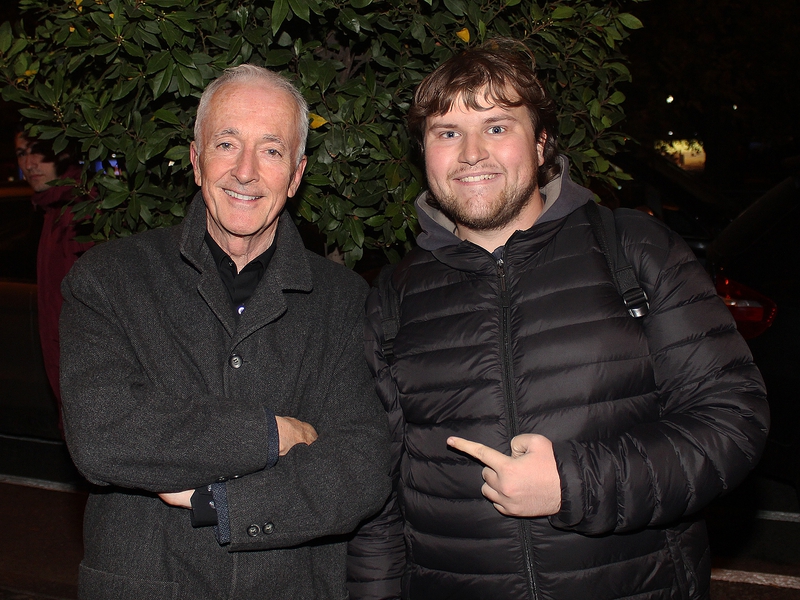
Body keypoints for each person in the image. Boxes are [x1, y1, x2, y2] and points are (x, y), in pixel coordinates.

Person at [347, 40, 769, 600]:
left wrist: (574, 485)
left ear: (542, 144)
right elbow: (378, 500)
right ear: (424, 152)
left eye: (497, 127)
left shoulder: (634, 251)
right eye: (447, 132)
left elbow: (731, 422)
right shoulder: (394, 297)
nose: (471, 152)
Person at [60, 64, 390, 598]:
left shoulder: (345, 300)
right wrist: (274, 435)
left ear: (298, 174)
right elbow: (104, 433)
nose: (245, 171)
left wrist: (217, 503)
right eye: (227, 143)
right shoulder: (110, 279)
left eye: (272, 150)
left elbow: (360, 466)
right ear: (195, 160)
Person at [14, 132, 93, 424]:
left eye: (38, 151)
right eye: (22, 153)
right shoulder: (53, 209)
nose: (30, 163)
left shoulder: (79, 211)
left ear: (61, 152)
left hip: (87, 383)